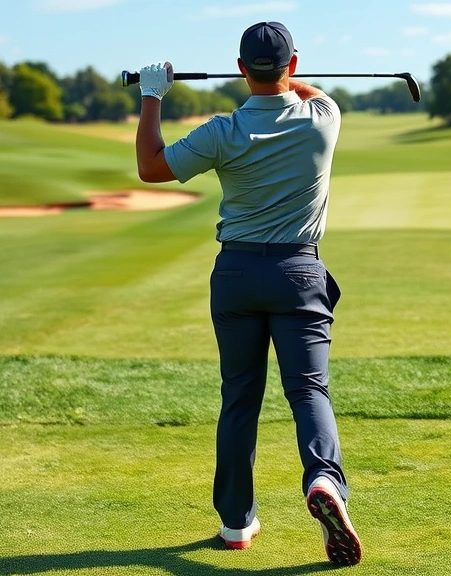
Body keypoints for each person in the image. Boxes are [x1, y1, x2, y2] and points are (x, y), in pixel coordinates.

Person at [134, 21, 361, 566]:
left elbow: (150, 166)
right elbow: (308, 92)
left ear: (239, 69)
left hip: (235, 274)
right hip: (298, 274)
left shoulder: (221, 131)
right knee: (309, 391)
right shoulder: (322, 120)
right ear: (296, 64)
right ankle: (324, 481)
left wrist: (150, 96)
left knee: (239, 399)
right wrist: (291, 79)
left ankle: (236, 524)